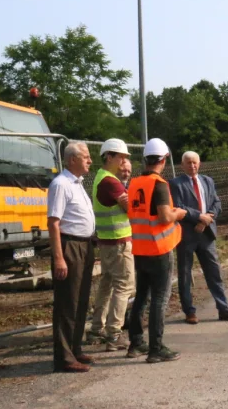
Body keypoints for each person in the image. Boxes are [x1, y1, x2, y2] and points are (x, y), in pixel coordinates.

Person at [126, 138, 187, 363]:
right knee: (160, 299)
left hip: (139, 248)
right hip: (159, 249)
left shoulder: (133, 184)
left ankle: (135, 343)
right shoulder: (159, 184)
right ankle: (156, 348)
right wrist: (178, 214)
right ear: (164, 159)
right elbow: (164, 216)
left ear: (145, 159)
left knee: (141, 295)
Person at [170, 151, 228, 325]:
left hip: (207, 234)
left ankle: (224, 309)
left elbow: (216, 203)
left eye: (195, 162)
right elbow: (177, 206)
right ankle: (189, 312)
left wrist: (207, 218)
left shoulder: (208, 181)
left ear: (199, 163)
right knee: (185, 274)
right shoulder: (175, 184)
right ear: (182, 165)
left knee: (214, 272)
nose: (192, 165)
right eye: (188, 162)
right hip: (187, 235)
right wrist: (199, 217)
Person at [47, 141, 96, 373]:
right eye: (86, 157)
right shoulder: (61, 184)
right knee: (68, 303)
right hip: (70, 247)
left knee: (81, 300)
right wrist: (59, 257)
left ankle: (75, 348)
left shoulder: (77, 184)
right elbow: (54, 223)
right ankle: (64, 358)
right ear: (72, 159)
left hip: (84, 246)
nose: (90, 161)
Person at [86, 138, 135, 352]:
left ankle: (97, 329)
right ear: (108, 156)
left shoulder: (100, 177)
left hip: (107, 242)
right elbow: (130, 208)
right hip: (119, 242)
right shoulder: (111, 182)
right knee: (123, 287)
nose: (123, 161)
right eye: (121, 157)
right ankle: (114, 335)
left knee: (106, 286)